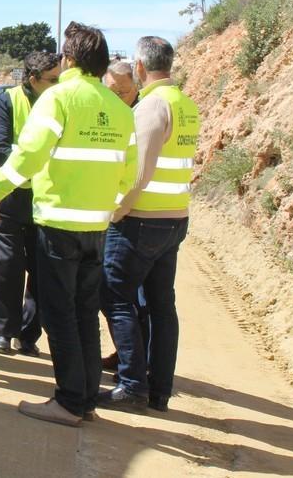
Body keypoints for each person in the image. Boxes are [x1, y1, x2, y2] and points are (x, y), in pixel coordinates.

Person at [0, 22, 136, 426]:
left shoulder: (58, 99)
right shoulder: (121, 110)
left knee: (59, 315)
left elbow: (28, 156)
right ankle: (86, 398)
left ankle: (69, 401)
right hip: (97, 227)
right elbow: (129, 173)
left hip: (57, 225)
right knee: (85, 312)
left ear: (69, 59)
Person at [98, 36, 200, 414]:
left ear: (139, 68)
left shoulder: (151, 106)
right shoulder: (185, 104)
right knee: (161, 304)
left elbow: (140, 171)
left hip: (142, 220)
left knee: (115, 297)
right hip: (174, 217)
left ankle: (131, 385)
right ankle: (159, 390)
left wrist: (118, 210)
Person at [0, 51, 60, 357]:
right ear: (32, 78)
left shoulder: (61, 101)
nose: (57, 84)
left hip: (43, 197)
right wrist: (37, 159)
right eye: (52, 80)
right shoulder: (7, 102)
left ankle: (29, 335)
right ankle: (5, 332)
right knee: (8, 264)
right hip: (6, 196)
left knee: (40, 269)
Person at [100, 59, 148, 372]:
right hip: (117, 210)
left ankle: (133, 369)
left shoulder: (142, 114)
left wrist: (119, 208)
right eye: (112, 91)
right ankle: (129, 358)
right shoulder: (118, 111)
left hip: (132, 214)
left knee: (122, 294)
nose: (117, 97)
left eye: (122, 91)